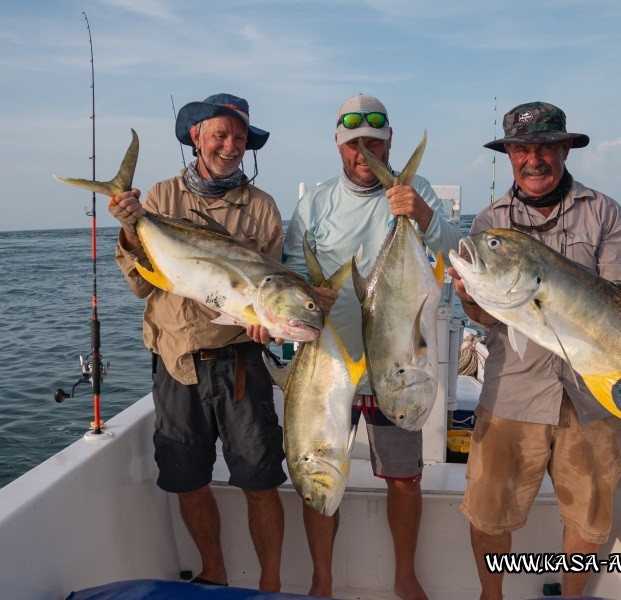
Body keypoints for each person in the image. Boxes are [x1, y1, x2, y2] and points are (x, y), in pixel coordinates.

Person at [448, 101, 621, 598]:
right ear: (510, 155)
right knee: (490, 512)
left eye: (545, 147)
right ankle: (491, 595)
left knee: (587, 516)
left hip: (591, 394)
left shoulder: (603, 213)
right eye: (522, 149)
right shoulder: (489, 223)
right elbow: (486, 317)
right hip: (513, 390)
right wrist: (469, 299)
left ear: (565, 149)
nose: (533, 159)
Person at [280, 93, 461, 599]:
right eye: (355, 144)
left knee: (403, 477)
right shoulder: (314, 204)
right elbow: (288, 279)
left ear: (390, 142)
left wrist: (422, 215)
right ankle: (322, 582)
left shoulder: (414, 189)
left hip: (397, 367)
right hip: (325, 366)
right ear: (338, 146)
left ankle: (405, 578)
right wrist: (303, 292)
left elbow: (457, 253)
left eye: (375, 143)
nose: (365, 153)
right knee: (316, 473)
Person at [109, 93, 286, 591]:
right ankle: (215, 574)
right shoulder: (159, 202)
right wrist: (129, 230)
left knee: (260, 478)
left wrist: (265, 321)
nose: (231, 146)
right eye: (220, 136)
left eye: (239, 138)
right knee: (187, 479)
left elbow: (270, 287)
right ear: (196, 138)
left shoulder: (263, 208)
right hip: (175, 363)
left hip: (240, 364)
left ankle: (270, 584)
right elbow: (143, 284)